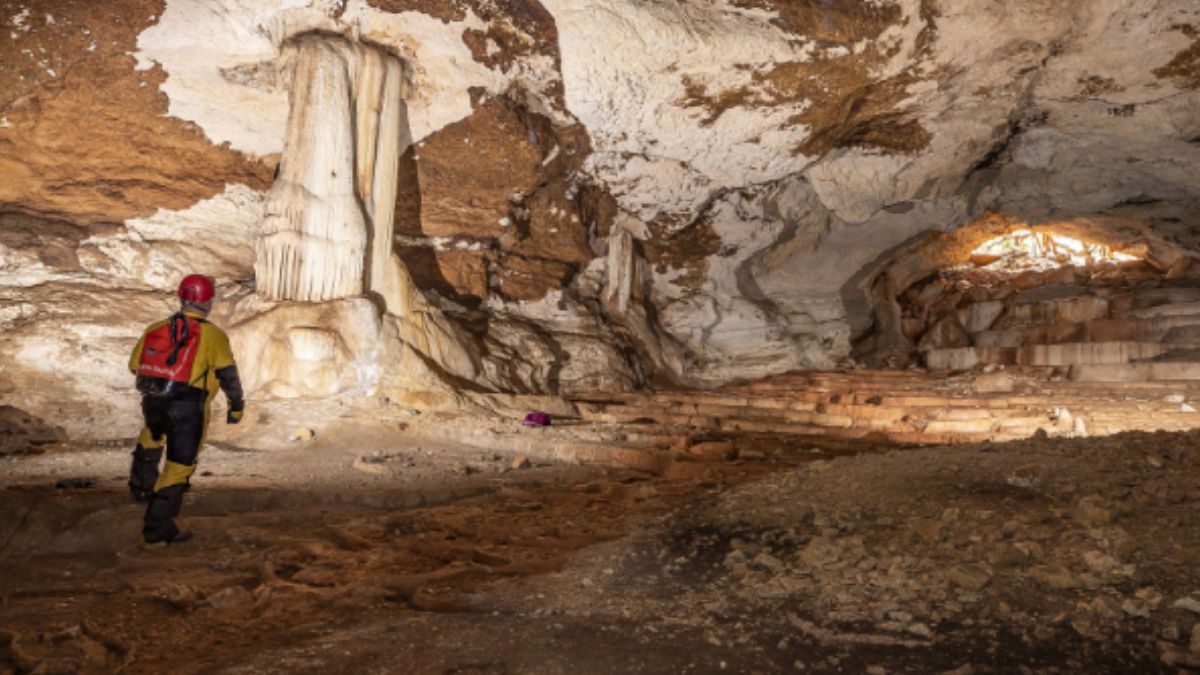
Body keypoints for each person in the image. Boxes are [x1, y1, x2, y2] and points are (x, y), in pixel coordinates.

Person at [128, 274, 245, 548]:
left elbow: (135, 365)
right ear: (208, 302)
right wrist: (236, 407)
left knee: (152, 435)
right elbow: (229, 376)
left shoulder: (155, 328)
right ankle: (156, 532)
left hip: (154, 401)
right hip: (189, 408)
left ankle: (141, 489)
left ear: (182, 298)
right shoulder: (213, 334)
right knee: (179, 467)